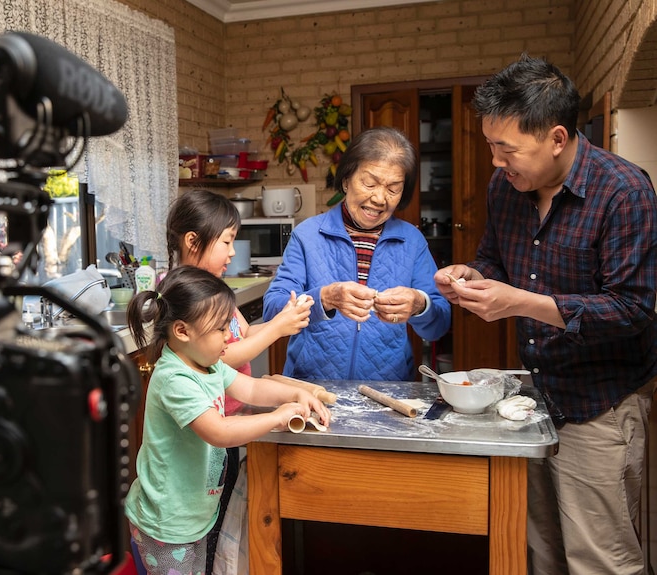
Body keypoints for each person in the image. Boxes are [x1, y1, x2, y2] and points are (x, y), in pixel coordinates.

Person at [433, 54, 657, 574]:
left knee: (601, 559)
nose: (495, 161)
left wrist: (521, 303)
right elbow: (496, 260)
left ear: (557, 138)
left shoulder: (624, 192)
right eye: (490, 145)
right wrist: (468, 274)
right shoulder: (505, 188)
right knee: (543, 552)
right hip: (533, 399)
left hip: (601, 404)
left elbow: (634, 309)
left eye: (506, 148)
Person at [123, 265, 330, 575]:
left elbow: (252, 387)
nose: (228, 337)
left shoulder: (207, 364)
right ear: (182, 331)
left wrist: (293, 397)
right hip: (166, 524)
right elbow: (218, 432)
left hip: (192, 515)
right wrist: (276, 418)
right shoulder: (175, 378)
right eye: (221, 329)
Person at [165, 188, 314, 572]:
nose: (233, 252)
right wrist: (279, 328)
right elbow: (225, 355)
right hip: (210, 426)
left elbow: (242, 341)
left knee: (219, 510)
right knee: (205, 518)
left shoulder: (217, 292)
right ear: (192, 241)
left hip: (229, 419)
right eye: (228, 241)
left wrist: (284, 325)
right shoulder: (186, 298)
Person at [263, 126, 451, 382]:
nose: (379, 198)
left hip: (389, 389)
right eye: (369, 183)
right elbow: (273, 311)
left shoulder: (412, 241)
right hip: (312, 387)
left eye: (393, 188)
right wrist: (325, 298)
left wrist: (419, 304)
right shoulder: (307, 235)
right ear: (346, 179)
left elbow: (439, 325)